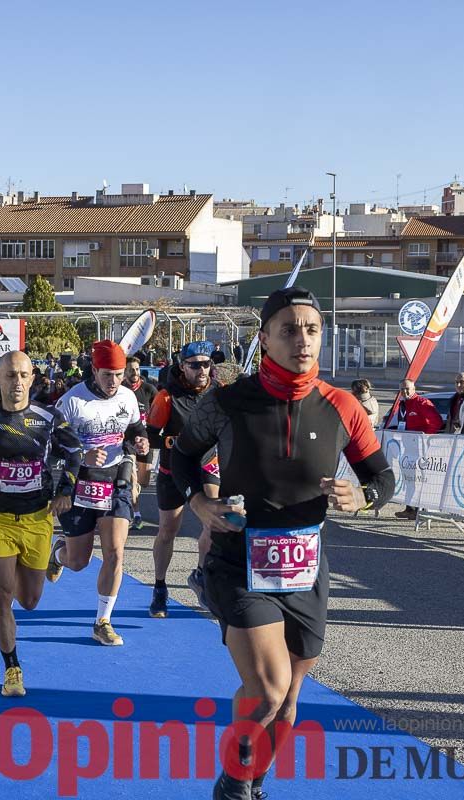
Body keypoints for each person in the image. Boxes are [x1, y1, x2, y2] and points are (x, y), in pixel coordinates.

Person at [171, 287, 392, 799]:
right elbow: (180, 459)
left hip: (306, 567)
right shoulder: (227, 402)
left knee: (287, 702)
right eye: (289, 330)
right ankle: (231, 784)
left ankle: (253, 781)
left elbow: (382, 477)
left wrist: (364, 496)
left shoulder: (342, 406)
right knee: (267, 690)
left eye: (312, 330)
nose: (303, 340)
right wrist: (200, 505)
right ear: (265, 338)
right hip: (238, 559)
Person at [0, 351, 82, 696]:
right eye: (10, 376)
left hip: (37, 518)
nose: (17, 383)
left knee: (29, 600)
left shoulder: (47, 417)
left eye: (24, 376)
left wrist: (66, 489)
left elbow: (75, 452)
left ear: (32, 378)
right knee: (1, 594)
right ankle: (12, 668)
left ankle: (54, 557)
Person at [47, 340, 150, 647]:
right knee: (78, 561)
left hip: (116, 479)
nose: (114, 381)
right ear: (94, 370)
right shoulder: (72, 401)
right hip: (80, 483)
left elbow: (133, 430)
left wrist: (141, 442)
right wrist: (82, 456)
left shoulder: (129, 397)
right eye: (108, 375)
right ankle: (59, 552)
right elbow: (50, 449)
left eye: (119, 375)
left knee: (115, 552)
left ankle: (102, 621)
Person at [145, 341, 221, 618]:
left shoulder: (218, 392)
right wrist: (175, 441)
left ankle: (200, 576)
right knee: (168, 529)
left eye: (206, 364)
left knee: (214, 523)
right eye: (195, 365)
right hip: (173, 470)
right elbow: (152, 435)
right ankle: (160, 586)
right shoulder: (166, 397)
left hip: (207, 466)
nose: (202, 370)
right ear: (182, 366)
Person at [391, 379, 442, 521]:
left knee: (418, 479)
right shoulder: (402, 405)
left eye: (407, 389)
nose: (405, 392)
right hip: (406, 447)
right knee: (409, 478)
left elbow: (436, 422)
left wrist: (424, 438)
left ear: (414, 388)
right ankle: (410, 509)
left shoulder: (422, 403)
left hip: (420, 448)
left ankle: (418, 509)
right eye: (402, 389)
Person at [124, 355, 158, 531]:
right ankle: (136, 515)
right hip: (127, 441)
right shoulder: (121, 390)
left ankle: (135, 488)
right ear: (124, 372)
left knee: (143, 481)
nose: (135, 373)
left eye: (137, 369)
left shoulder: (149, 390)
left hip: (145, 440)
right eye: (131, 370)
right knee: (132, 477)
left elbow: (159, 412)